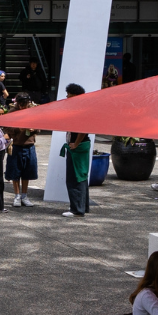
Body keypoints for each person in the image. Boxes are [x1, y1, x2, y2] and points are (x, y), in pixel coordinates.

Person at [61, 84, 91, 218]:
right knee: (82, 176)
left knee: (75, 178)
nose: (67, 96)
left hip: (78, 148)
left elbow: (84, 129)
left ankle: (77, 210)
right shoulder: (82, 108)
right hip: (80, 146)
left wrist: (76, 143)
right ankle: (82, 206)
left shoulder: (80, 110)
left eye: (69, 94)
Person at [5, 98, 38, 208]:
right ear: (17, 103)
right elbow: (6, 128)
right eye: (20, 104)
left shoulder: (32, 111)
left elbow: (40, 126)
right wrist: (18, 129)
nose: (22, 107)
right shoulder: (12, 112)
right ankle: (17, 196)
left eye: (24, 104)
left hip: (29, 145)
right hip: (16, 146)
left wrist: (34, 129)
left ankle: (24, 196)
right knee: (15, 172)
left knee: (27, 172)